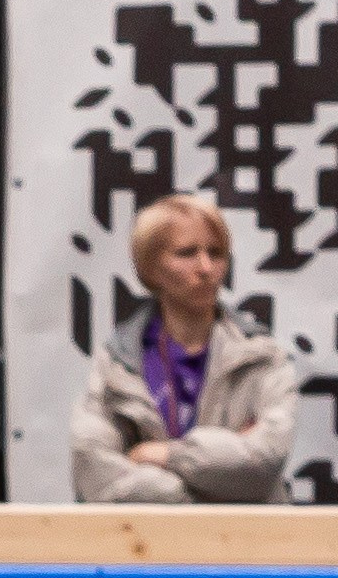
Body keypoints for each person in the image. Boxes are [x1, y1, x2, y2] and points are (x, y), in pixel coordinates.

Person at [68, 195, 298, 504]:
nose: (206, 268)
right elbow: (94, 473)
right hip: (147, 547)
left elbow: (263, 462)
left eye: (216, 254)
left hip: (247, 548)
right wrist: (202, 492)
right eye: (187, 253)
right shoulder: (117, 364)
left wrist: (165, 456)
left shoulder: (263, 358)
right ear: (150, 266)